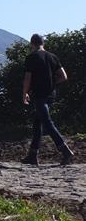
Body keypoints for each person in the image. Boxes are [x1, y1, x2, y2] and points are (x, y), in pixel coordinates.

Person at [21, 34, 75, 166]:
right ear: (42, 43)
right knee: (37, 123)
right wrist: (52, 83)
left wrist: (25, 93)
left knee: (47, 122)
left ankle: (65, 150)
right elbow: (64, 76)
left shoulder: (31, 58)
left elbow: (28, 78)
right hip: (51, 94)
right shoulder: (53, 57)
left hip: (39, 95)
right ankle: (32, 155)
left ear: (32, 44)